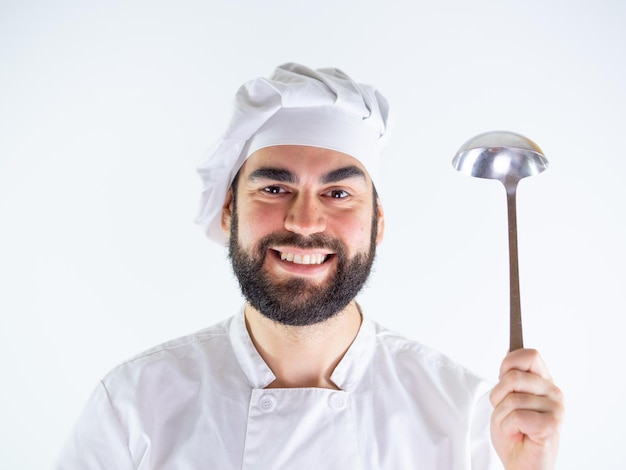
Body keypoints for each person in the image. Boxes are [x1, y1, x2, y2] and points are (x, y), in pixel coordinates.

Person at [56, 63, 564, 469]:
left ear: (377, 222)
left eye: (338, 192)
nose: (304, 222)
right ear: (229, 210)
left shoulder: (470, 417)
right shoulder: (133, 406)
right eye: (275, 188)